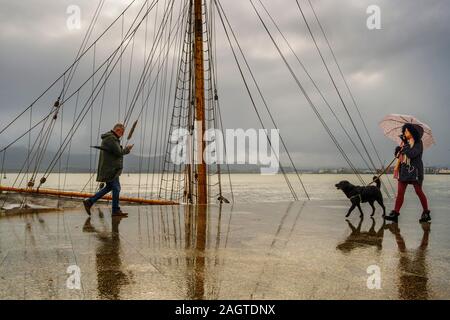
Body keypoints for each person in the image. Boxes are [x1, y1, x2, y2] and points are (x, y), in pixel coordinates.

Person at [83, 123, 134, 217]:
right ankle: (115, 211)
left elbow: (115, 151)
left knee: (110, 187)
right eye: (122, 132)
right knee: (116, 188)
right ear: (118, 130)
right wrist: (127, 149)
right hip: (111, 169)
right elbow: (119, 152)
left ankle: (89, 202)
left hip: (110, 168)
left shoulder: (110, 138)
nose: (122, 135)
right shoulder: (111, 138)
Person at [385, 123, 430, 223]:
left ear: (413, 132)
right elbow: (400, 157)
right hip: (404, 170)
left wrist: (405, 144)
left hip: (415, 171)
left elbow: (412, 154)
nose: (404, 133)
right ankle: (395, 213)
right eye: (404, 131)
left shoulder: (418, 143)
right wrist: (398, 150)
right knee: (400, 193)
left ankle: (426, 212)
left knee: (418, 191)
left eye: (406, 131)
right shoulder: (405, 143)